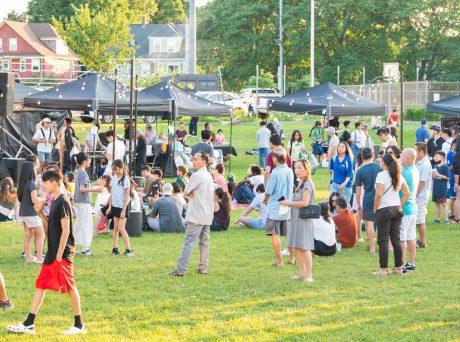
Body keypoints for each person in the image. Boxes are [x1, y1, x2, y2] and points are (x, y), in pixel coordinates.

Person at [7, 170, 85, 335]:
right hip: (52, 253)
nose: (43, 186)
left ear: (54, 182)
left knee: (70, 287)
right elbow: (50, 228)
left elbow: (65, 231)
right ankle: (29, 323)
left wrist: (58, 255)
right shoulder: (55, 201)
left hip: (62, 254)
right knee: (40, 285)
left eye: (45, 183)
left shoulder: (63, 201)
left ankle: (79, 325)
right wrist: (40, 211)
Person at [169, 152, 214, 276]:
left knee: (189, 242)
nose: (193, 161)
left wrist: (190, 193)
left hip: (196, 214)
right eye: (193, 159)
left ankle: (181, 269)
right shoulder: (209, 175)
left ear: (203, 162)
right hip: (207, 214)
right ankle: (203, 267)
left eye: (196, 159)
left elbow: (186, 191)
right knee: (204, 242)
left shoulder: (197, 176)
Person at [373, 153, 410, 276]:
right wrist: (399, 204)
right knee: (396, 239)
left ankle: (383, 269)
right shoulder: (399, 175)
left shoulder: (381, 175)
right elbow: (407, 193)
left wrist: (375, 208)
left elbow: (378, 194)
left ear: (384, 163)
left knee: (383, 240)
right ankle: (399, 268)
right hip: (396, 209)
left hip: (384, 209)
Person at [280, 159, 315, 282]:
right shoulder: (301, 183)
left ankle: (309, 275)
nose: (297, 170)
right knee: (298, 247)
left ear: (306, 169)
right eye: (295, 168)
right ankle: (302, 273)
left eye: (300, 168)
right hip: (296, 219)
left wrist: (288, 203)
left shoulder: (307, 184)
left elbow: (305, 202)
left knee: (305, 248)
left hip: (304, 220)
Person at [264, 149, 294, 267]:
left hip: (275, 206)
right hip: (287, 205)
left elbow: (269, 191)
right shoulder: (290, 171)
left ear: (275, 158)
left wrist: (265, 199)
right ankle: (291, 258)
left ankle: (280, 261)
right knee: (288, 233)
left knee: (275, 234)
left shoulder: (275, 173)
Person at [74, 152, 102, 256]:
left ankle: (72, 245)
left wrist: (95, 183)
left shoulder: (79, 172)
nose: (90, 161)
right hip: (84, 203)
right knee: (86, 224)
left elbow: (84, 186)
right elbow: (82, 189)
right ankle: (85, 248)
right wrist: (96, 189)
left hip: (81, 203)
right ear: (85, 161)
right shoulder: (83, 173)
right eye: (89, 159)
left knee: (79, 224)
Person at [354, 147, 381, 253]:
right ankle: (385, 244)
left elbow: (358, 189)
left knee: (369, 222)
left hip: (368, 197)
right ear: (372, 155)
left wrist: (358, 204)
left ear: (361, 156)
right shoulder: (379, 167)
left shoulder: (360, 171)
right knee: (381, 221)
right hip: (380, 196)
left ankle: (372, 247)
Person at [18, 162, 45, 264]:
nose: (36, 168)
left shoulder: (22, 184)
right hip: (31, 213)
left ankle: (29, 257)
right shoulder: (31, 184)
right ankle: (39, 258)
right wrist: (42, 199)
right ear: (30, 170)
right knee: (41, 235)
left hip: (23, 213)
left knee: (28, 235)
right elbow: (34, 200)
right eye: (34, 167)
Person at [107, 160, 134, 256]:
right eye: (114, 170)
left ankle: (129, 249)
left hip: (123, 207)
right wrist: (109, 206)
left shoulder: (126, 179)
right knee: (115, 228)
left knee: (121, 228)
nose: (115, 171)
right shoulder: (114, 178)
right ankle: (114, 248)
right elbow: (112, 193)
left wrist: (123, 210)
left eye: (117, 169)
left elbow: (126, 196)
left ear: (122, 168)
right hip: (115, 206)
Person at [399, 148, 419, 273]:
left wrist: (398, 206)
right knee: (411, 237)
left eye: (402, 155)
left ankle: (400, 265)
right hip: (412, 208)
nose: (400, 157)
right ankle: (411, 263)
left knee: (402, 238)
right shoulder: (415, 170)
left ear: (407, 158)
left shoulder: (405, 173)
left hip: (405, 208)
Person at [415, 143, 432, 248]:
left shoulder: (425, 164)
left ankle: (423, 242)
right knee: (418, 219)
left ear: (421, 152)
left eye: (415, 150)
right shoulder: (420, 163)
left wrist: (415, 194)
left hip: (421, 196)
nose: (414, 152)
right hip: (419, 195)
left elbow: (422, 182)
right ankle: (420, 240)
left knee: (420, 219)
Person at [431, 151, 450, 224]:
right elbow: (434, 177)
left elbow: (448, 178)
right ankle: (437, 219)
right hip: (436, 188)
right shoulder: (434, 166)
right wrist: (433, 176)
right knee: (437, 204)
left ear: (442, 157)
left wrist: (439, 175)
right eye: (434, 156)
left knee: (444, 203)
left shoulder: (445, 166)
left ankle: (446, 220)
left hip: (442, 189)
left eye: (437, 156)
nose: (435, 158)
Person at [447, 141, 456, 220]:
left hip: (457, 177)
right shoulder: (450, 154)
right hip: (453, 178)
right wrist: (456, 164)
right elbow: (449, 167)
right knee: (453, 197)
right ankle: (452, 214)